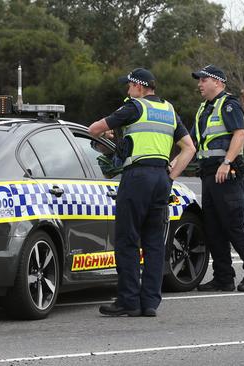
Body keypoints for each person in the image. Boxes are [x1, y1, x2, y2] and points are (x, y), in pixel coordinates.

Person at [89, 68, 196, 317]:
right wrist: (170, 175)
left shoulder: (135, 107)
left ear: (138, 87)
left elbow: (94, 129)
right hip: (161, 178)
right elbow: (189, 148)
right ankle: (149, 303)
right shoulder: (169, 110)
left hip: (137, 177)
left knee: (127, 239)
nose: (127, 91)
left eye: (129, 86)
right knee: (154, 242)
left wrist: (105, 132)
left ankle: (128, 300)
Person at [190, 65, 244, 292]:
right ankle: (223, 277)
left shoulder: (229, 104)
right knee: (213, 228)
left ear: (218, 82)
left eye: (203, 80)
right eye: (199, 80)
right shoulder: (204, 108)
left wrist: (227, 162)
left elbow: (240, 135)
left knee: (232, 225)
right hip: (209, 174)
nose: (199, 84)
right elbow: (190, 142)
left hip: (227, 174)